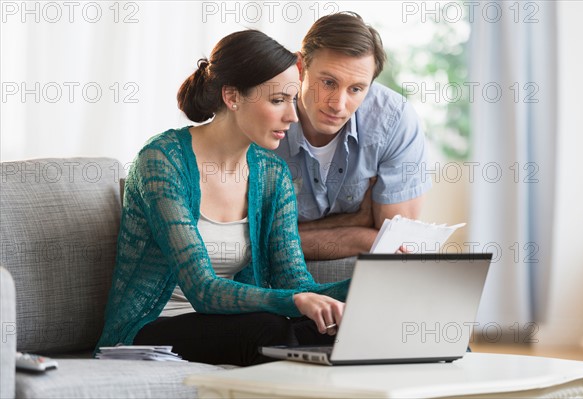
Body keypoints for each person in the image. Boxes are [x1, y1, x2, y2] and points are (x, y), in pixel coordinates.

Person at [95, 30, 349, 366]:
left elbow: (295, 282)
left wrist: (368, 281)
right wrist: (299, 301)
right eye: (277, 101)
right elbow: (202, 290)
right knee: (268, 330)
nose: (292, 115)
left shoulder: (272, 174)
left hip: (229, 323)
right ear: (232, 96)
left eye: (292, 99)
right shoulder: (162, 160)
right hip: (149, 329)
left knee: (331, 328)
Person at [274, 12, 432, 260]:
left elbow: (394, 243)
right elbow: (249, 241)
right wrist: (361, 223)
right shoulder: (263, 113)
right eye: (328, 82)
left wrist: (283, 236)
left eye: (356, 89)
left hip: (365, 280)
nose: (338, 104)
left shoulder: (394, 120)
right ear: (300, 67)